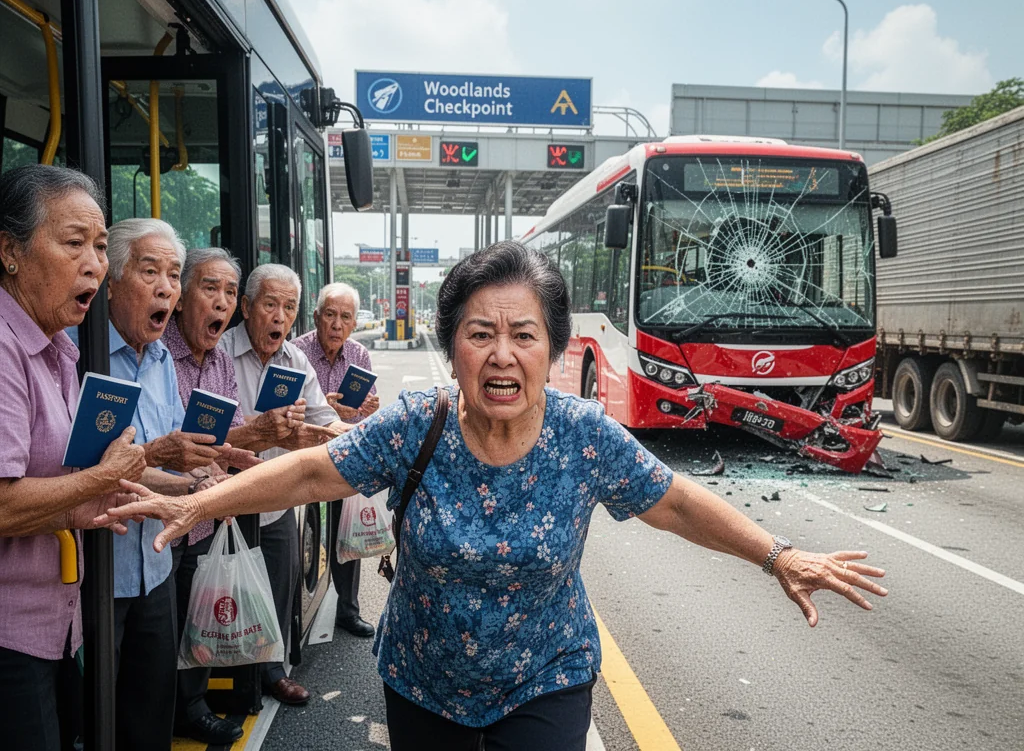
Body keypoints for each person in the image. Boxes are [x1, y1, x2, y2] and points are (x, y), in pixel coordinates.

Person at [100, 242, 888, 751]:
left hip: (545, 676)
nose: (503, 354)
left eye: (524, 334)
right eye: (480, 333)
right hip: (423, 680)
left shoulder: (584, 434)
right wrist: (201, 503)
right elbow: (316, 471)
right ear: (452, 349)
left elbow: (672, 499)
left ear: (555, 348)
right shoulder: (419, 423)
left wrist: (777, 553)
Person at [0, 165, 146, 751]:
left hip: (55, 624)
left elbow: (50, 484)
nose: (95, 264)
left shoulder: (57, 345)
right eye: (74, 243)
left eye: (103, 246)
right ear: (10, 251)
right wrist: (101, 477)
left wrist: (79, 503)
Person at [102, 217, 250, 751]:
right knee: (100, 708)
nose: (166, 286)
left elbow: (161, 464)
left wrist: (197, 481)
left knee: (153, 702)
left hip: (156, 562)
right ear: (111, 280)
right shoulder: (82, 356)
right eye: (151, 272)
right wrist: (179, 474)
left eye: (171, 273)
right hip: (105, 566)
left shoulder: (159, 359)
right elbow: (104, 466)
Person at [163, 246, 309, 743]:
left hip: (214, 509)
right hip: (166, 517)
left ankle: (199, 701)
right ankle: (177, 708)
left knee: (205, 611)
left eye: (228, 290)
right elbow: (173, 445)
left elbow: (224, 440)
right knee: (169, 623)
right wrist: (255, 440)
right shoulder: (166, 355)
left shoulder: (219, 364)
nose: (222, 303)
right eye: (212, 289)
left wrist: (246, 460)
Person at [219, 264, 348, 706]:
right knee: (222, 593)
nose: (279, 316)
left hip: (274, 500)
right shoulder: (221, 351)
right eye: (270, 304)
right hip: (223, 500)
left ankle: (271, 672)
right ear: (247, 307)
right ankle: (221, 683)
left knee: (281, 581)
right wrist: (260, 430)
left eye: (288, 307)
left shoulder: (295, 360)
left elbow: (323, 418)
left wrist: (356, 437)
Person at [293, 282, 379, 638]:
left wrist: (368, 407)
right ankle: (297, 609)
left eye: (345, 317)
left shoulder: (359, 356)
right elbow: (289, 411)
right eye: (330, 314)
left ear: (354, 324)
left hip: (344, 456)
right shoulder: (297, 352)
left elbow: (369, 407)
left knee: (347, 536)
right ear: (316, 316)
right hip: (304, 455)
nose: (336, 324)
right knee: (303, 534)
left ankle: (348, 609)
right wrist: (326, 408)